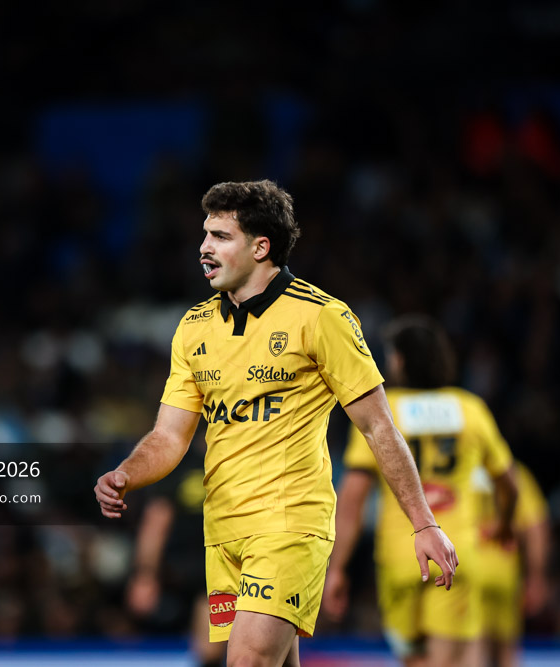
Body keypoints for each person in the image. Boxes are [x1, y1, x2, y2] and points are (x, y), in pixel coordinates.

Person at [95, 180, 457, 667]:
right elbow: (169, 436)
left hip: (289, 523)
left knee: (245, 662)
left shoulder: (321, 317)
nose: (204, 247)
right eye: (205, 235)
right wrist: (126, 474)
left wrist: (423, 524)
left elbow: (378, 427)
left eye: (220, 236)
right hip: (222, 531)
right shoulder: (194, 327)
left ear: (260, 247)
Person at [323, 315, 517, 667]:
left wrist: (337, 567)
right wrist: (504, 526)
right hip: (454, 553)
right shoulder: (471, 409)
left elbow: (351, 500)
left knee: (415, 660)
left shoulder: (383, 412)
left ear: (400, 360)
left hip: (400, 559)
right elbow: (510, 486)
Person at [126, 435, 226, 667]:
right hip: (180, 573)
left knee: (214, 651)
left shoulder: (239, 462)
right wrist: (144, 575)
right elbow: (157, 520)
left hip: (223, 569)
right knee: (207, 651)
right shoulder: (180, 462)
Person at [473, 460, 550, 667]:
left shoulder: (459, 469)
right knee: (507, 652)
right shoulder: (515, 473)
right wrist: (537, 577)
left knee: (472, 650)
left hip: (464, 574)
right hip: (504, 574)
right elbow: (536, 527)